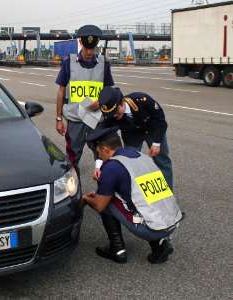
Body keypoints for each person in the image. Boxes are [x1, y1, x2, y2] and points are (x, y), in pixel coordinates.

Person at [82, 127, 183, 264]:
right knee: (140, 200)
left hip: (151, 228)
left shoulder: (112, 167)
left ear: (105, 149)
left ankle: (117, 249)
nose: (99, 156)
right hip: (171, 219)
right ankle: (159, 246)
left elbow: (100, 205)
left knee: (106, 201)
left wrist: (85, 199)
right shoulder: (141, 156)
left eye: (98, 152)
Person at [55, 24, 114, 177]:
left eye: (92, 48)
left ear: (96, 46)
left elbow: (109, 91)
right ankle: (72, 191)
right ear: (81, 43)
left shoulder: (103, 63)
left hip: (97, 119)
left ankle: (104, 192)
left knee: (103, 158)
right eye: (87, 48)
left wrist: (101, 102)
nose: (89, 52)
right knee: (72, 158)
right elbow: (61, 91)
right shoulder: (69, 62)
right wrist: (58, 118)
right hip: (75, 119)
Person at [94, 86, 174, 189]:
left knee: (162, 160)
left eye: (116, 112)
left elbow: (161, 121)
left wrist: (156, 143)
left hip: (153, 130)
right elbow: (103, 139)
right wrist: (98, 165)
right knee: (131, 163)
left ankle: (168, 191)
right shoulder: (110, 116)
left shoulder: (142, 100)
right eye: (111, 115)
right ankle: (137, 194)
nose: (114, 116)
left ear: (122, 102)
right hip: (132, 135)